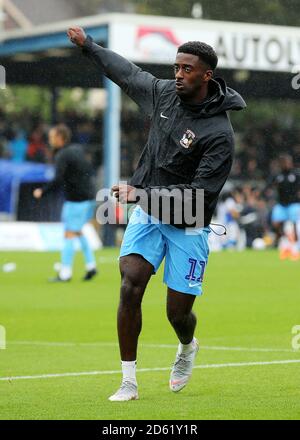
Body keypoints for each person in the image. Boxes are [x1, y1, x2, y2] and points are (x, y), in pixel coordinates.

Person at [68, 26, 246, 401]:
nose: (178, 74)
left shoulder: (218, 133)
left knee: (177, 314)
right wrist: (89, 46)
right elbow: (126, 72)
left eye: (186, 69)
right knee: (130, 284)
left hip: (189, 222)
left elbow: (199, 196)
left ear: (206, 75)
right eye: (176, 66)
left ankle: (186, 346)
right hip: (148, 214)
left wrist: (142, 193)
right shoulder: (163, 94)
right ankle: (128, 381)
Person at [33, 123, 98, 281]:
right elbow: (87, 170)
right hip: (89, 197)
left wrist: (43, 191)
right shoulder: (77, 150)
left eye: (52, 137)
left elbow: (58, 179)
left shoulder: (62, 155)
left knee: (69, 233)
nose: (50, 140)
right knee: (77, 231)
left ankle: (65, 273)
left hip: (76, 200)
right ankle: (91, 266)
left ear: (60, 138)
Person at [270, 154, 300, 260]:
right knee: (276, 223)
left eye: (288, 162)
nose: (287, 164)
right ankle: (285, 242)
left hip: (294, 204)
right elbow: (270, 186)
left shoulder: (296, 174)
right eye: (284, 162)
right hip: (281, 204)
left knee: (295, 225)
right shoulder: (278, 175)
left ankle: (295, 247)